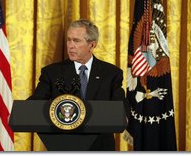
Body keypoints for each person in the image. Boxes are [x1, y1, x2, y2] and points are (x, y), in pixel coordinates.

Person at [28, 19, 129, 151]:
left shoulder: (111, 73)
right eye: (69, 40)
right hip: (64, 146)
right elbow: (36, 101)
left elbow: (120, 104)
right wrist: (18, 113)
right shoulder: (52, 72)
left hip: (100, 147)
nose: (70, 45)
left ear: (92, 45)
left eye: (76, 41)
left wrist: (124, 116)